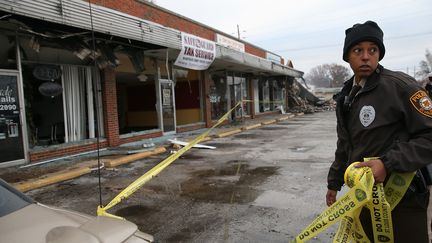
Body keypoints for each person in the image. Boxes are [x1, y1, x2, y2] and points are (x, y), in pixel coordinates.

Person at [326, 20, 432, 242]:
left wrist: (387, 163)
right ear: (347, 56)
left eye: (372, 50)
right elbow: (345, 143)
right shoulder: (346, 95)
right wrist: (334, 182)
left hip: (404, 199)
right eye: (358, 50)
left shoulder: (401, 87)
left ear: (379, 54)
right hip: (364, 198)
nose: (366, 56)